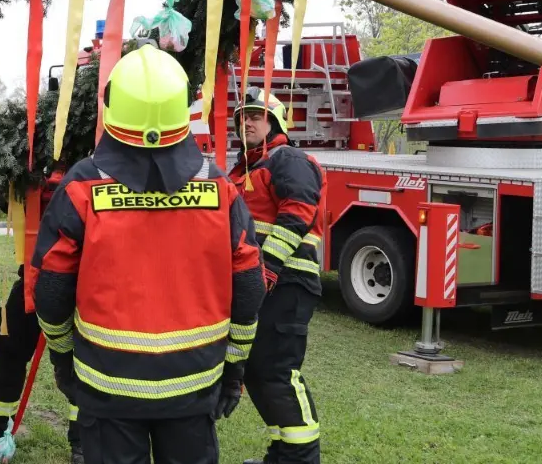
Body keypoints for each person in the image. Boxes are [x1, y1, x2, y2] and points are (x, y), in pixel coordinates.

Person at [32, 44, 266, 464]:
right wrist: (234, 368)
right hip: (195, 384)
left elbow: (51, 289)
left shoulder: (82, 187)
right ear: (183, 109)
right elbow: (249, 286)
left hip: (107, 385)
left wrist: (63, 359)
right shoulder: (219, 188)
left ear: (112, 105)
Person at [230, 88, 326, 464]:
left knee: (277, 371)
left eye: (256, 116)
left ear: (276, 122)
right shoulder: (247, 168)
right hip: (264, 285)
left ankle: (302, 457)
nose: (247, 123)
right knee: (256, 371)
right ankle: (283, 452)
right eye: (242, 117)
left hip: (288, 283)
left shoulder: (288, 159)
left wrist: (267, 267)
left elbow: (298, 211)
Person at [0, 169, 83, 464]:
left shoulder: (92, 163)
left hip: (82, 284)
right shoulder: (31, 160)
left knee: (82, 360)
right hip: (33, 278)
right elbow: (6, 203)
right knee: (9, 348)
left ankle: (83, 440)